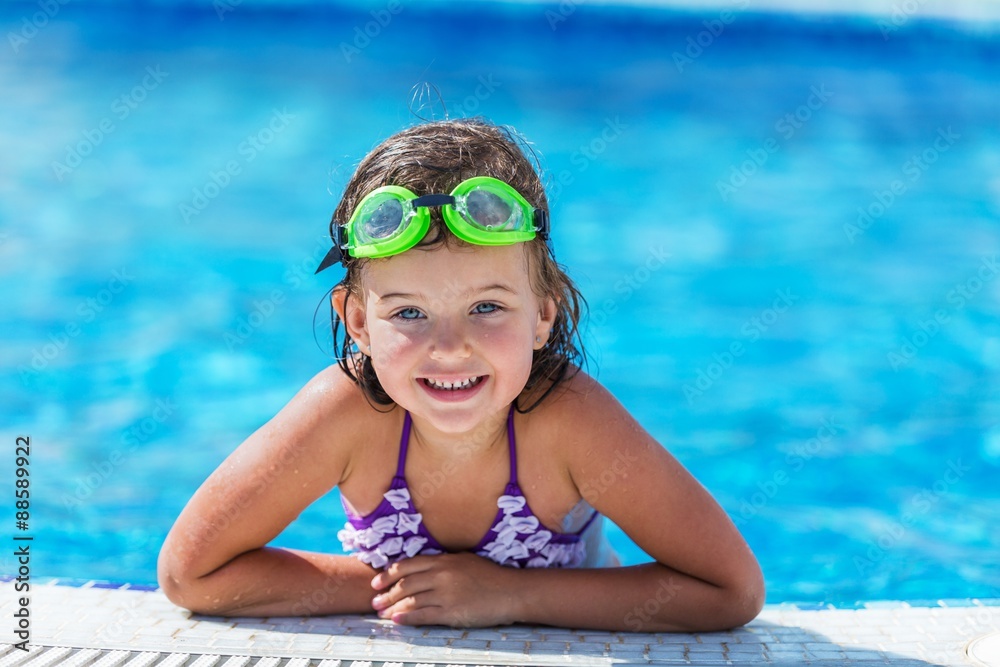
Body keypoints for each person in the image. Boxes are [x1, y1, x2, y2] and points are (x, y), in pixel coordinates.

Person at [157, 118, 764, 632]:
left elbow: (729, 589)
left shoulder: (569, 422)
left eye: (487, 307)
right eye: (410, 313)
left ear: (542, 317)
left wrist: (513, 596)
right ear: (359, 321)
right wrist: (404, 590)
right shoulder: (345, 415)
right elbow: (191, 574)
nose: (450, 348)